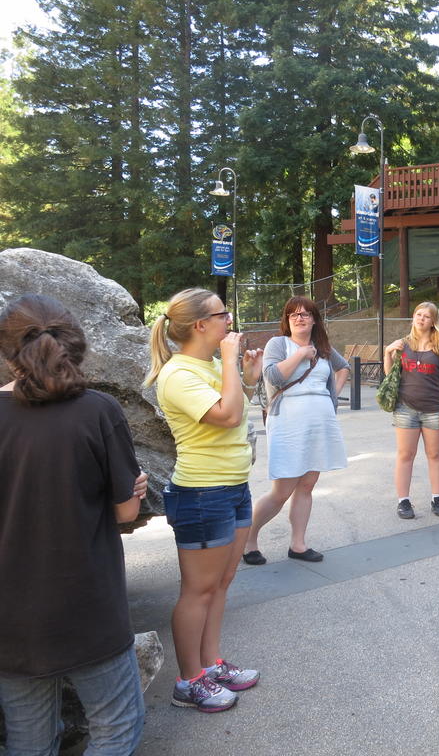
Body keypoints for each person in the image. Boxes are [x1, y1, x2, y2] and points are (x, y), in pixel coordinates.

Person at [0, 294, 148, 753]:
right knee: (117, 725)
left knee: (28, 741)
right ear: (75, 345)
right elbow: (125, 512)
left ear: (8, 351)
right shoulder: (99, 410)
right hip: (88, 605)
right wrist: (135, 490)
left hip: (10, 615)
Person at [145, 287, 263, 713]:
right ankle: (188, 681)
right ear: (200, 325)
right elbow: (227, 417)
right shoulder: (178, 374)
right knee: (198, 590)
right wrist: (230, 361)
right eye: (221, 314)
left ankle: (211, 664)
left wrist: (246, 378)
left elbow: (233, 410)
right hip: (201, 494)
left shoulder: (211, 364)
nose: (229, 320)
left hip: (233, 487)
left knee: (221, 582)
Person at [242, 297, 348, 565]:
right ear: (287, 320)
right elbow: (273, 377)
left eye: (305, 314)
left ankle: (298, 544)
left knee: (307, 485)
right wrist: (300, 354)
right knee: (282, 490)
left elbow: (343, 368)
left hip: (319, 423)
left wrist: (331, 397)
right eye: (293, 315)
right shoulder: (278, 344)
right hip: (288, 422)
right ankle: (248, 540)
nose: (299, 318)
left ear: (314, 319)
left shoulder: (323, 347)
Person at [384, 301, 439, 520]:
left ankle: (437, 497)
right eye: (418, 314)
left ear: (433, 321)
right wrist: (387, 352)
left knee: (435, 454)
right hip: (405, 407)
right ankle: (403, 501)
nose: (421, 319)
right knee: (405, 454)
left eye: (427, 316)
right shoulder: (403, 344)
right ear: (413, 317)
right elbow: (390, 376)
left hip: (434, 408)